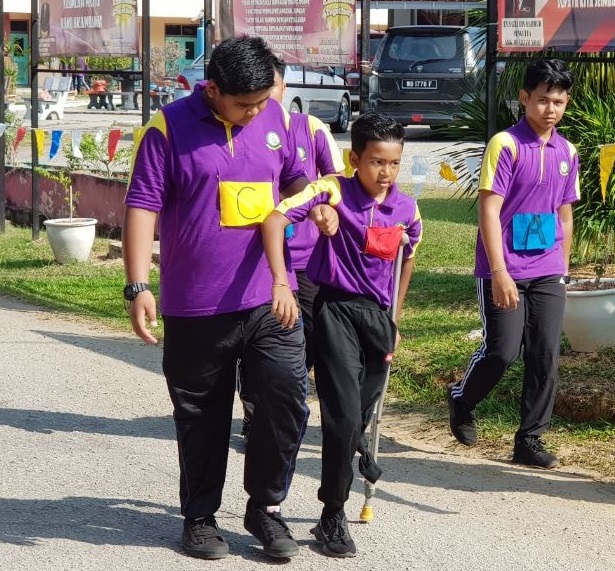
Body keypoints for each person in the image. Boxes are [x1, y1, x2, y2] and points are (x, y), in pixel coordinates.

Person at [122, 35, 334, 560]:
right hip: (196, 304)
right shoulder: (167, 128)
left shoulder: (276, 120)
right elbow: (142, 206)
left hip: (269, 294)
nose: (257, 112)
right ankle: (199, 517)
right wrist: (138, 285)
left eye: (263, 101)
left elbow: (295, 178)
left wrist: (314, 206)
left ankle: (265, 508)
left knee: (285, 395)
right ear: (212, 89)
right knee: (201, 413)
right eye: (245, 104)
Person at [261, 111, 422, 558]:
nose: (385, 173)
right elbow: (276, 216)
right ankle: (332, 514)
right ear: (355, 158)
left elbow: (407, 258)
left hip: (378, 319)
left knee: (359, 415)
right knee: (343, 414)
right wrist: (317, 214)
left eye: (393, 162)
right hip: (334, 311)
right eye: (375, 162)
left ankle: (354, 453)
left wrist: (396, 318)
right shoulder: (333, 188)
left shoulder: (406, 208)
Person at [447, 58, 579, 470]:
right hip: (503, 269)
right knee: (502, 351)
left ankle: (530, 439)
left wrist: (563, 266)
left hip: (548, 269)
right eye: (542, 100)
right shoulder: (505, 144)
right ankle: (462, 399)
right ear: (524, 98)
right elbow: (489, 210)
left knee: (545, 354)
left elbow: (565, 213)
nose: (550, 110)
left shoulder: (567, 151)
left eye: (558, 102)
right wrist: (500, 271)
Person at [237, 56, 345, 443]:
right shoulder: (243, 131)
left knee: (306, 337)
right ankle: (255, 411)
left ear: (283, 90)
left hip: (308, 261)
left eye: (275, 88)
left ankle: (285, 405)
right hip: (263, 262)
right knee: (262, 341)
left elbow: (335, 182)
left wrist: (324, 211)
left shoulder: (309, 128)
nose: (268, 98)